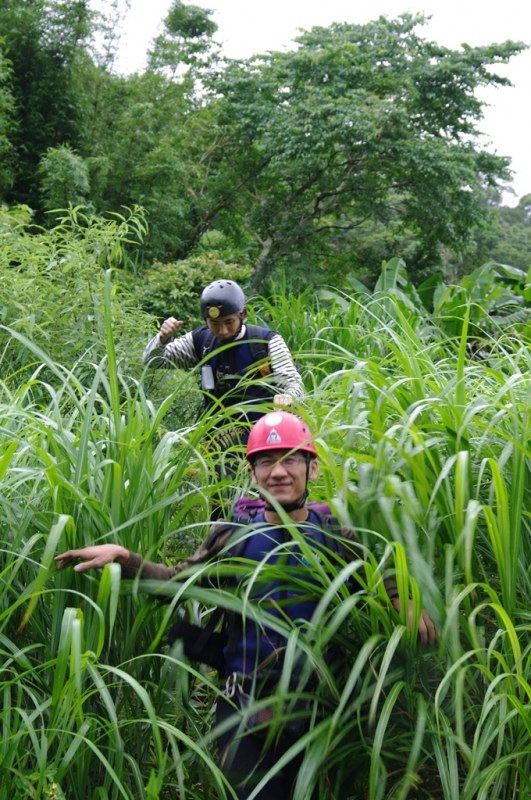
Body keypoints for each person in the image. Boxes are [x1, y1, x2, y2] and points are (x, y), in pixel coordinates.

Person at [55, 412, 438, 799]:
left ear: (313, 467)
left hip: (322, 714)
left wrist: (400, 598)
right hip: (244, 710)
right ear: (252, 473)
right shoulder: (232, 538)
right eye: (266, 462)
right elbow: (175, 584)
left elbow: (380, 573)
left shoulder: (337, 534)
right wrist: (124, 557)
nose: (278, 472)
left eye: (290, 458)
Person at [142, 279, 304, 418]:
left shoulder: (267, 342)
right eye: (215, 324)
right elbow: (152, 362)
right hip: (216, 440)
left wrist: (287, 398)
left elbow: (295, 385)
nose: (223, 331)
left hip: (262, 438)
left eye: (229, 322)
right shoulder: (200, 340)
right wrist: (162, 338)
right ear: (206, 320)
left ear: (242, 314)